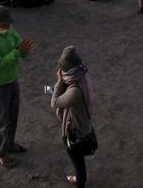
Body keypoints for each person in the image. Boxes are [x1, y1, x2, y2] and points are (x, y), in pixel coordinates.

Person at [0, 5, 34, 168]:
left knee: (13, 114)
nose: (8, 26)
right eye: (5, 23)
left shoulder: (10, 30)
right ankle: (0, 151)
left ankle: (9, 143)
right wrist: (18, 52)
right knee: (1, 119)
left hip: (12, 79)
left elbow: (19, 48)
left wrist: (25, 50)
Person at [51, 46, 95, 187]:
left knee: (77, 159)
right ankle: (80, 177)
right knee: (79, 159)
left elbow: (55, 102)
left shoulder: (75, 91)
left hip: (75, 131)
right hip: (84, 124)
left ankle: (80, 182)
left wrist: (58, 81)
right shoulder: (83, 75)